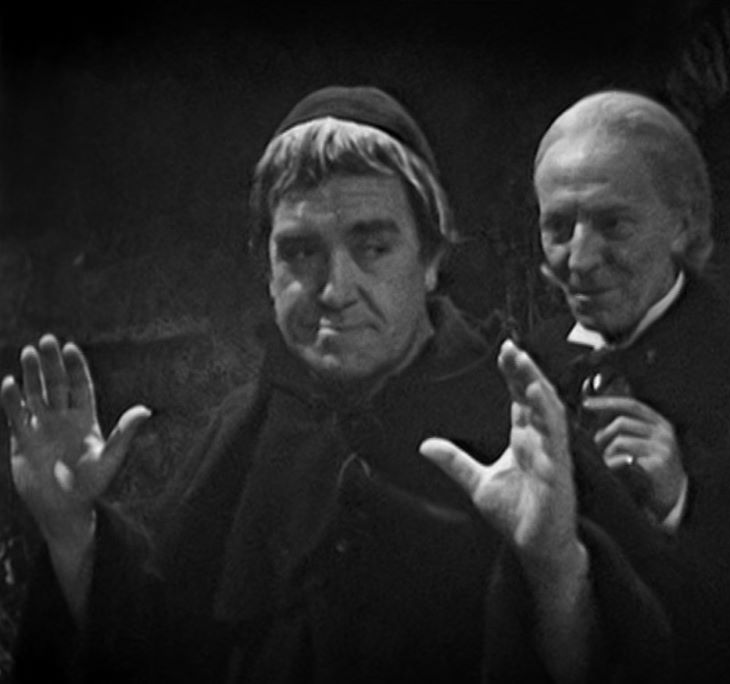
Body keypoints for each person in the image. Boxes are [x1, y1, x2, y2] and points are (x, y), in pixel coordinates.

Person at [2, 86, 669, 684]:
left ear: (431, 259)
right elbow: (149, 648)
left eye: (372, 247)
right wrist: (71, 532)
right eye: (300, 252)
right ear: (267, 269)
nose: (334, 289)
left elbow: (643, 652)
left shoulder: (525, 426)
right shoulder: (243, 432)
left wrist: (554, 565)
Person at [421, 90, 730, 683]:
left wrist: (683, 506)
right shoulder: (528, 364)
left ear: (682, 224)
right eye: (558, 227)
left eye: (612, 223)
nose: (579, 259)